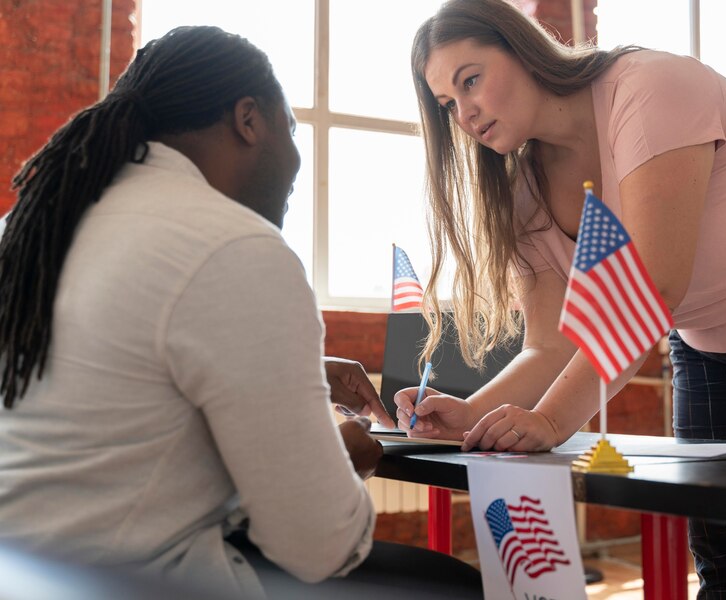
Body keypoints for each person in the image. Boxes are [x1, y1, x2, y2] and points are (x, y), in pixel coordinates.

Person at [396, 0, 726, 596]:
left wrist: (553, 419)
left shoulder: (648, 86)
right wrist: (468, 412)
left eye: (471, 79)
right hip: (716, 339)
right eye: (448, 104)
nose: (465, 112)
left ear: (524, 49)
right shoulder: (522, 188)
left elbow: (653, 285)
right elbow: (550, 342)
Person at [0, 26, 481, 600]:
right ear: (248, 119)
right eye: (292, 129)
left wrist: (290, 366)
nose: (297, 158)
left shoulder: (29, 232)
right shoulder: (232, 246)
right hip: (137, 580)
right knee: (452, 586)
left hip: (25, 572)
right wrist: (347, 450)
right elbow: (318, 543)